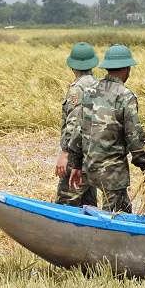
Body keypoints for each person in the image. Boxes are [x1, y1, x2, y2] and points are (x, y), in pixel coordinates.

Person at [68, 45, 145, 213]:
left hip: (89, 166)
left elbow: (78, 130)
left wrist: (75, 164)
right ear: (127, 69)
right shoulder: (125, 96)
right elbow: (134, 136)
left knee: (92, 210)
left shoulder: (90, 91)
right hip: (113, 173)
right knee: (115, 217)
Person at [55, 42, 99, 207]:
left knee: (66, 203)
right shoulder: (99, 85)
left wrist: (66, 154)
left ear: (73, 66)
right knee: (88, 204)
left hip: (78, 155)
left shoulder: (77, 88)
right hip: (95, 155)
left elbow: (73, 123)